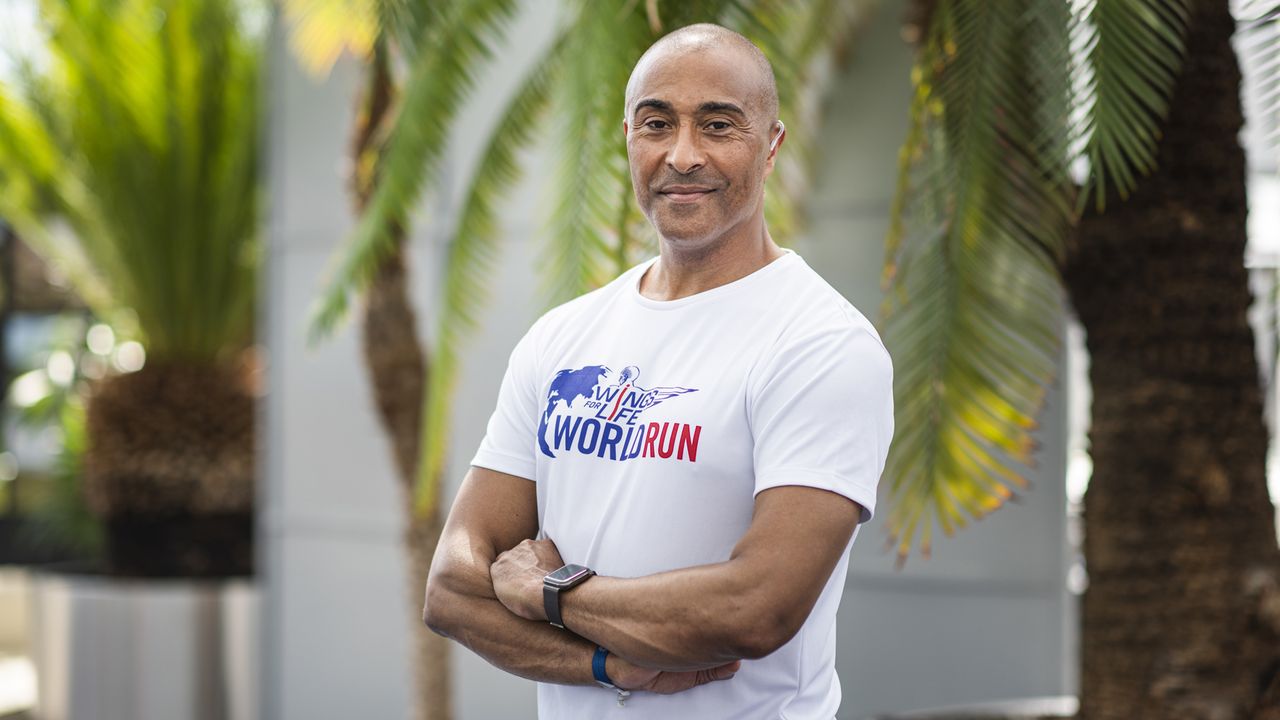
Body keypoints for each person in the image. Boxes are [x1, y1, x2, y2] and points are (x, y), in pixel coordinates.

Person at [423, 22, 894, 720]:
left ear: (771, 147)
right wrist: (608, 664)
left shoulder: (819, 343)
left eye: (718, 125)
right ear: (628, 138)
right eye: (656, 123)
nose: (682, 154)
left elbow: (756, 608)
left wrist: (552, 592)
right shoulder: (562, 338)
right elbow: (453, 590)